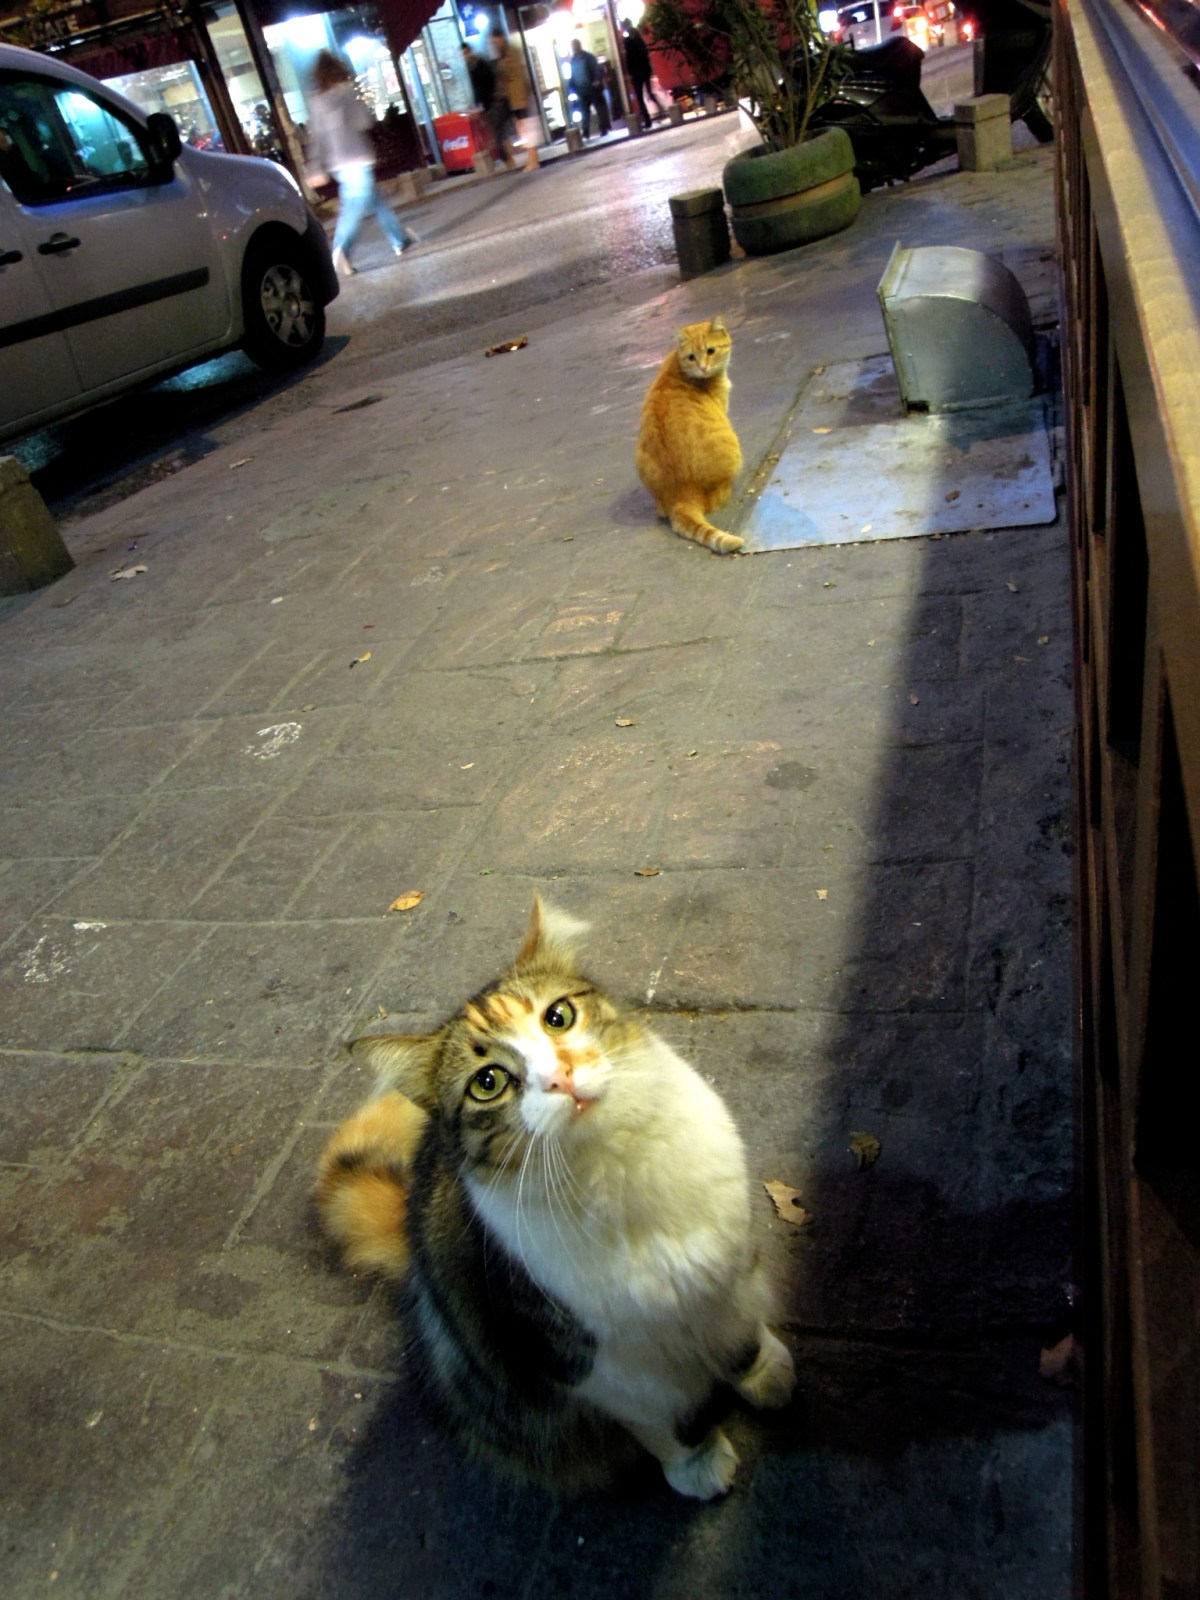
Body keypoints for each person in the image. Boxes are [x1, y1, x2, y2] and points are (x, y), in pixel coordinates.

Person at [305, 49, 416, 277]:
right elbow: (363, 121)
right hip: (356, 156)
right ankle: (341, 250)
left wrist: (315, 166)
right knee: (353, 206)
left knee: (376, 200)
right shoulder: (346, 92)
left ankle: (400, 239)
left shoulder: (315, 101)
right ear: (337, 71)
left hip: (337, 162)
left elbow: (315, 136)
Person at [490, 28, 539, 171]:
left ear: (501, 38)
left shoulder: (512, 52)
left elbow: (517, 74)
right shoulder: (502, 54)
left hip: (518, 96)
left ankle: (533, 160)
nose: (494, 44)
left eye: (495, 40)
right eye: (492, 42)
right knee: (515, 127)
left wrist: (524, 95)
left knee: (525, 127)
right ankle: (518, 158)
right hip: (510, 97)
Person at [622, 18, 666, 130]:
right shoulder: (638, 37)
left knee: (640, 97)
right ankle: (662, 110)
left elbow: (629, 58)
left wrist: (629, 72)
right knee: (650, 92)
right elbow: (645, 53)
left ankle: (647, 120)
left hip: (636, 71)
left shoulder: (627, 41)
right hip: (644, 69)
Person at [568, 37, 610, 140]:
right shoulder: (581, 58)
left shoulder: (582, 58)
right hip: (584, 89)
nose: (574, 48)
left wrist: (596, 81)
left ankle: (597, 129)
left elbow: (595, 69)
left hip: (589, 88)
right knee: (588, 110)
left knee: (590, 110)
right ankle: (588, 131)